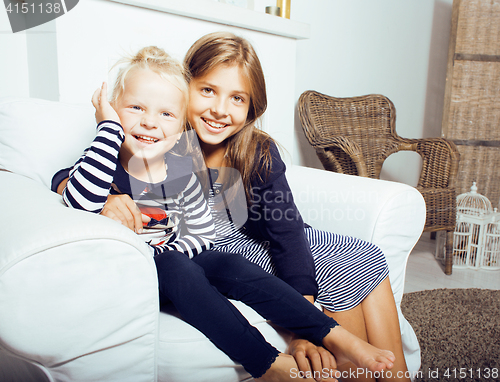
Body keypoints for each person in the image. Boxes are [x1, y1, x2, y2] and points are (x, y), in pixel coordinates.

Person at [53, 46, 397, 382]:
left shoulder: (240, 150)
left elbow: (286, 232)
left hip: (264, 238)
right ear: (188, 90)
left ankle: (382, 366)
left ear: (250, 108)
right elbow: (76, 178)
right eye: (207, 90)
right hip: (204, 250)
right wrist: (104, 193)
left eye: (237, 98)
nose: (219, 109)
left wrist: (301, 330)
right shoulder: (160, 144)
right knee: (337, 274)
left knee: (363, 255)